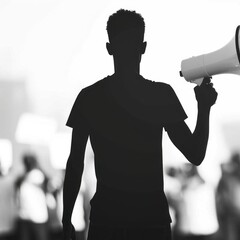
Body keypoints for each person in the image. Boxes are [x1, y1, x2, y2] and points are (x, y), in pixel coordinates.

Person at [62, 9, 217, 240]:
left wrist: (67, 219)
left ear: (109, 48)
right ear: (143, 47)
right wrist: (204, 108)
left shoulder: (89, 98)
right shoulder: (161, 95)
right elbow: (195, 154)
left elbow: (75, 164)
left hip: (107, 219)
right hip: (152, 220)